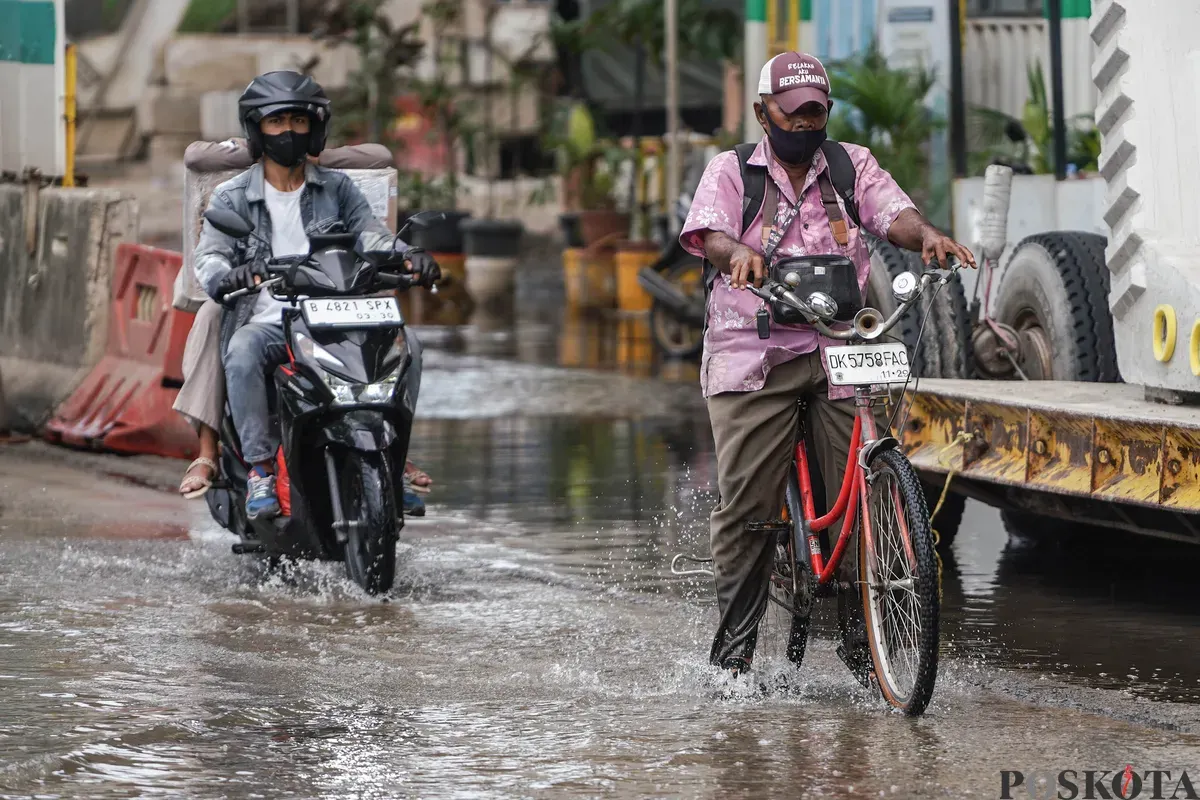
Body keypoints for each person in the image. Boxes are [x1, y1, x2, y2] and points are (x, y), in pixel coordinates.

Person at [679, 52, 976, 679]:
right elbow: (709, 234)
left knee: (863, 492)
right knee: (750, 511)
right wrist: (738, 255)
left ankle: (863, 646)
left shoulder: (848, 164)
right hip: (754, 355)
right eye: (795, 114)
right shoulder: (732, 172)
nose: (808, 125)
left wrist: (925, 236)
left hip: (840, 347)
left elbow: (892, 211)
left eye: (818, 113)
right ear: (764, 114)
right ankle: (732, 658)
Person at [193, 70, 440, 520]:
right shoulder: (232, 197)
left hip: (338, 314)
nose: (288, 131)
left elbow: (372, 236)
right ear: (257, 130)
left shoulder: (337, 189)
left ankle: (393, 459)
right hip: (271, 320)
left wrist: (409, 257)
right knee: (244, 350)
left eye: (298, 121)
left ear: (314, 128)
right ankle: (260, 469)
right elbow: (208, 258)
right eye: (276, 122)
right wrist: (230, 275)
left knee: (410, 348)